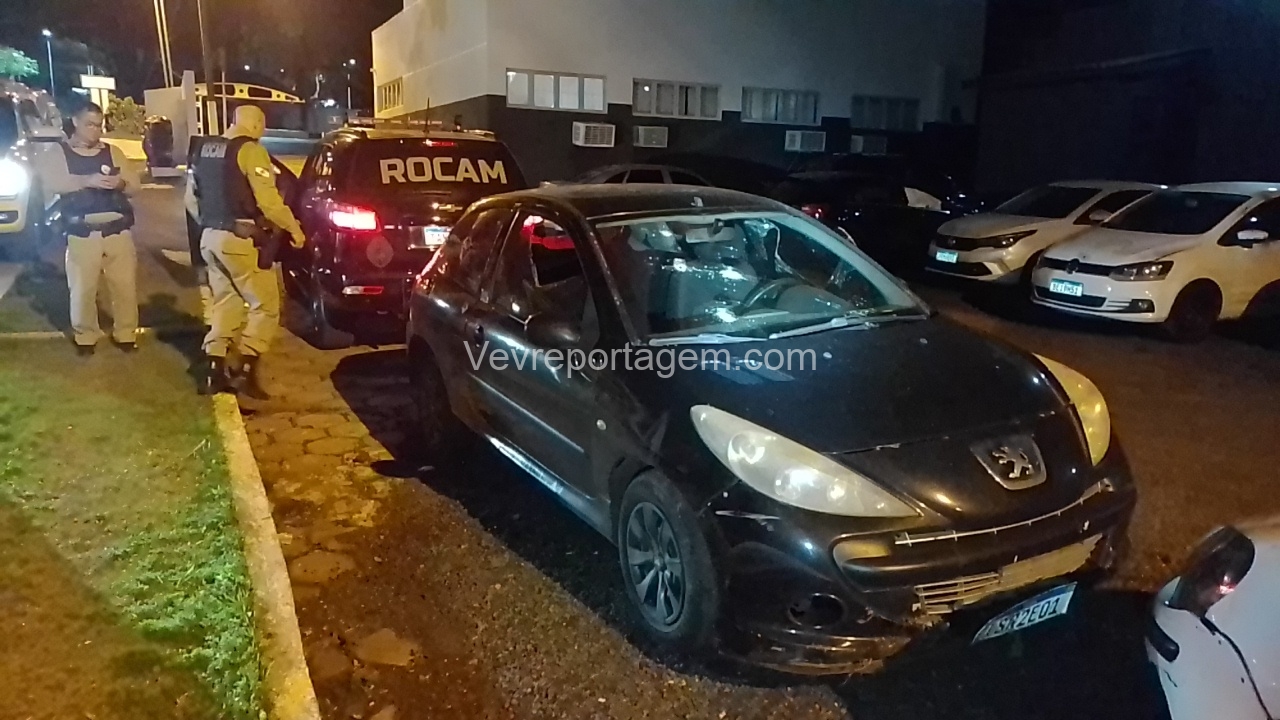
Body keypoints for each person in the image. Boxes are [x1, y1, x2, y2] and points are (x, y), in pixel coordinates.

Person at [187, 105, 305, 398]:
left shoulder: (203, 150)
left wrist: (213, 224)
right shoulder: (250, 151)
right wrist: (295, 229)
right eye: (262, 126)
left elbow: (190, 200)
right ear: (256, 124)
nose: (261, 132)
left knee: (226, 303)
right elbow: (269, 202)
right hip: (241, 241)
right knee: (265, 305)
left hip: (209, 238)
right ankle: (245, 368)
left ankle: (213, 369)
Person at [36, 101, 140, 355]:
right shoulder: (58, 152)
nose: (96, 130)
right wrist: (87, 180)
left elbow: (135, 185)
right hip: (82, 233)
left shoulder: (113, 152)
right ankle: (85, 337)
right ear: (75, 122)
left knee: (125, 288)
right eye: (90, 125)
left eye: (99, 125)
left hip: (117, 232)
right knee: (83, 290)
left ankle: (126, 334)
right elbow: (53, 182)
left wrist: (120, 183)